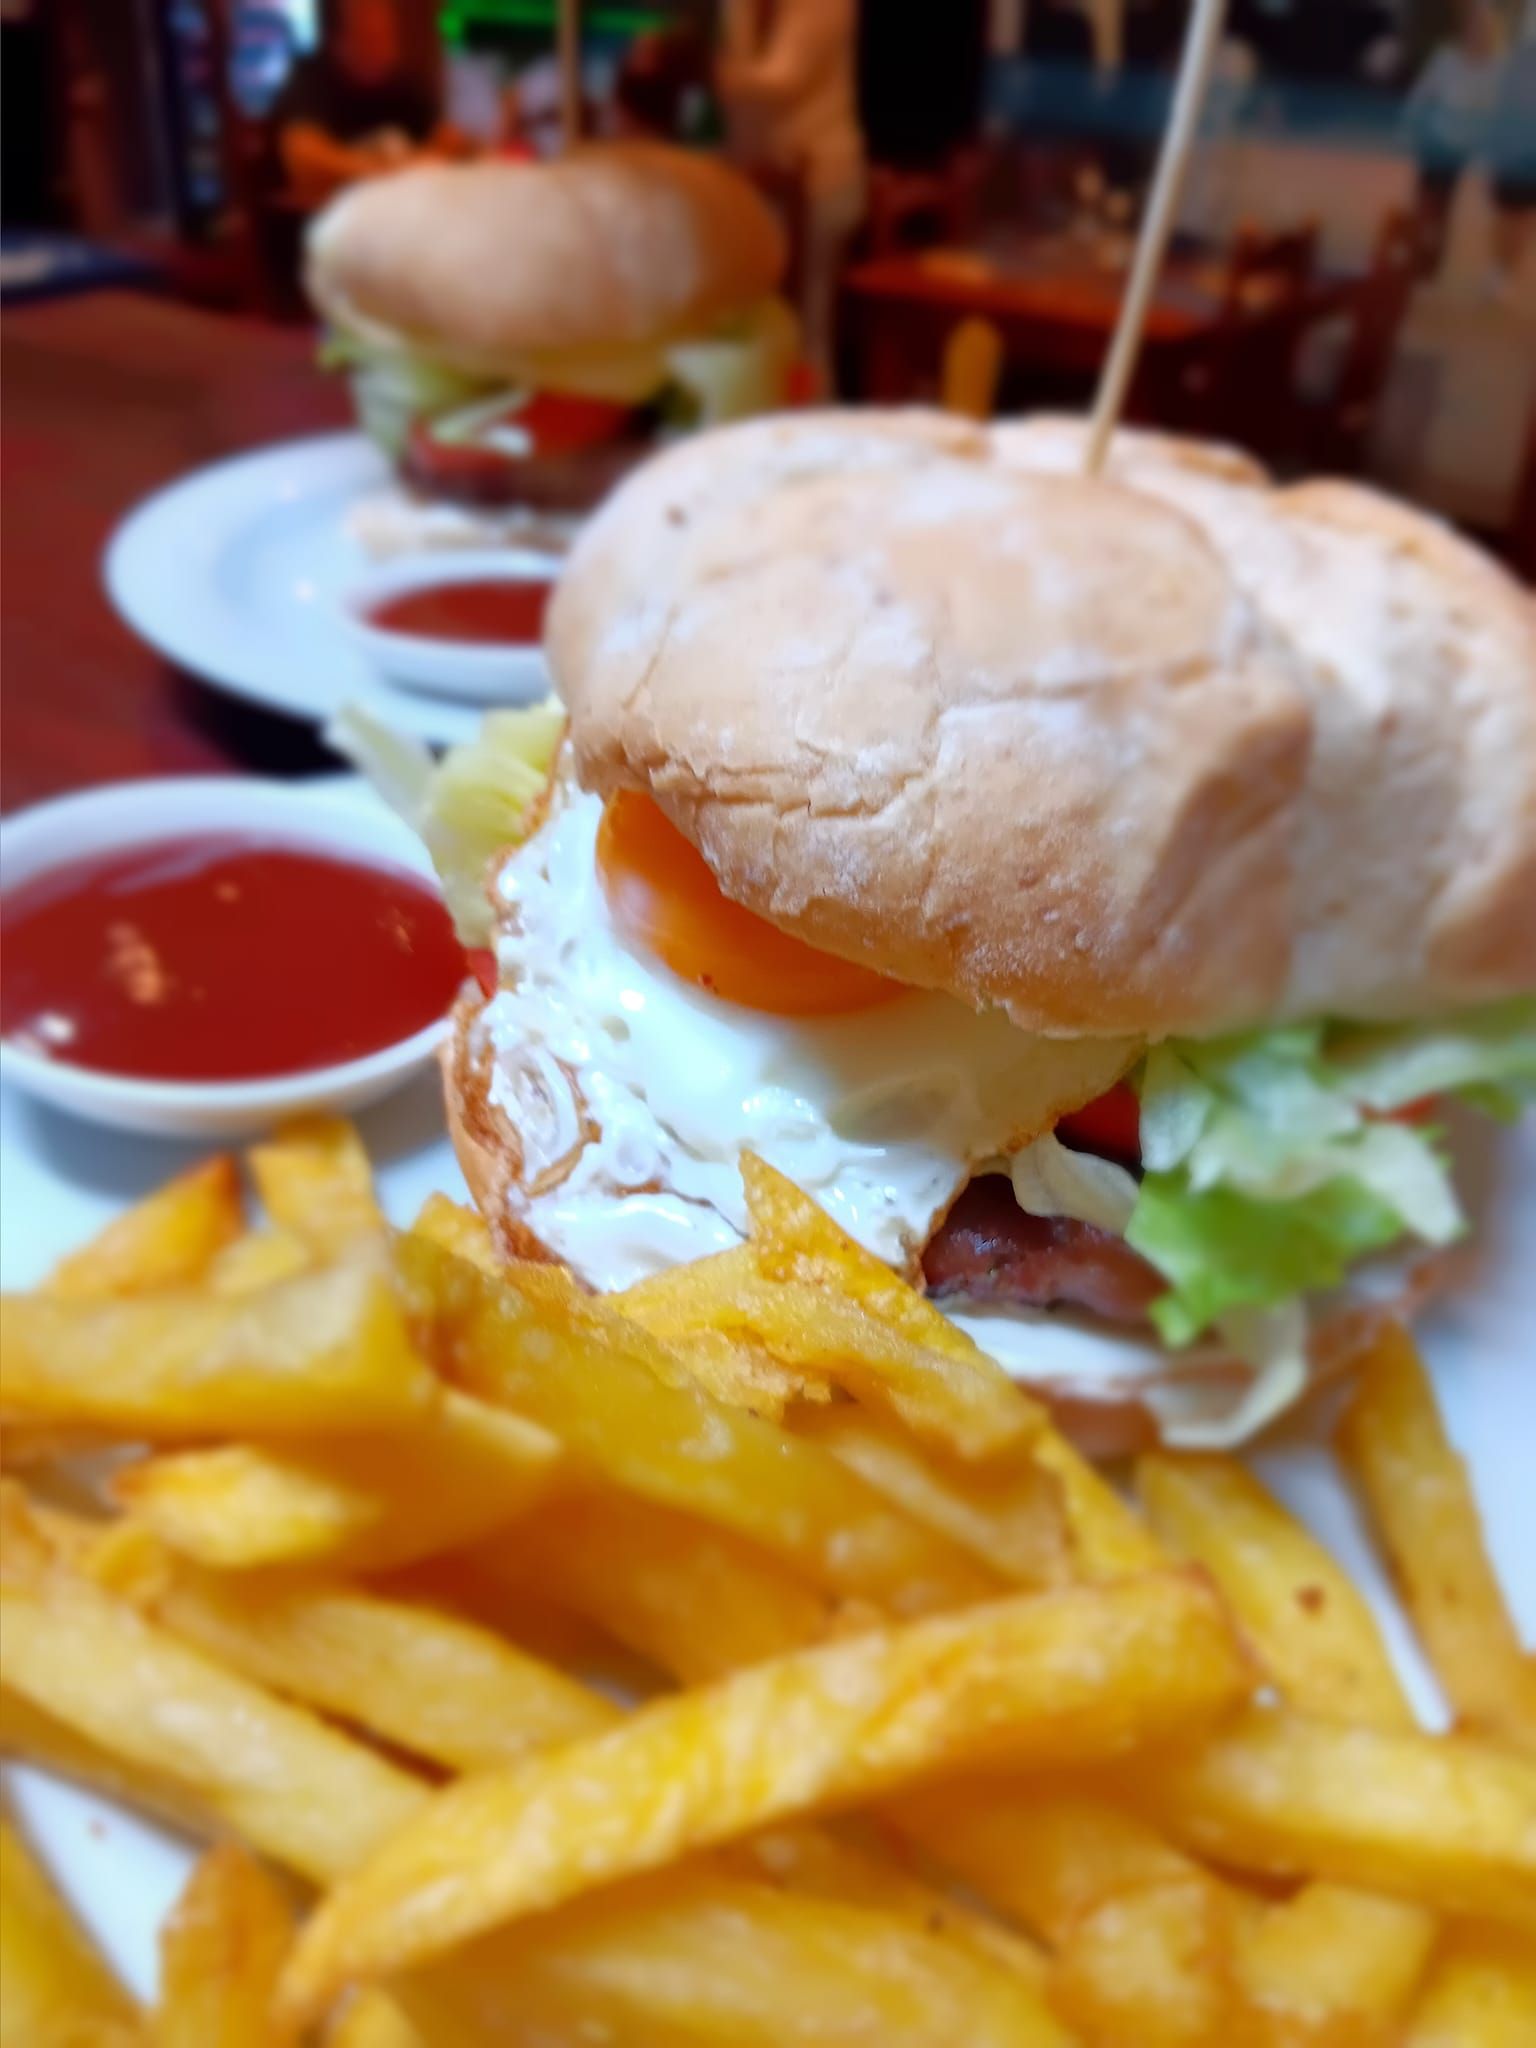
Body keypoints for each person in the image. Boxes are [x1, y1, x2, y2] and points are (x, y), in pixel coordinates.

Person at [717, 0, 866, 388]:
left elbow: (784, 80)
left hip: (822, 178)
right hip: (764, 184)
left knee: (808, 327)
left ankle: (816, 419)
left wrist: (708, 70)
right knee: (758, 324)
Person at [274, 0, 460, 205]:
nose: (383, 28)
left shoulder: (402, 85)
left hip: (402, 215)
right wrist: (394, 170)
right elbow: (304, 158)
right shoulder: (311, 78)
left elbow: (446, 141)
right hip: (333, 222)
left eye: (386, 21)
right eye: (367, 14)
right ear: (341, 35)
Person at [1402, 0, 1505, 278]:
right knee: (1425, 203)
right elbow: (1423, 94)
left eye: (1483, 28)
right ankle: (1417, 256)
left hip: (1460, 148)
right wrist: (1413, 123)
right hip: (1435, 139)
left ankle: (1430, 260)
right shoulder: (1446, 58)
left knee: (1442, 206)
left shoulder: (1496, 69)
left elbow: (1494, 110)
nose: (1478, 32)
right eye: (1473, 27)